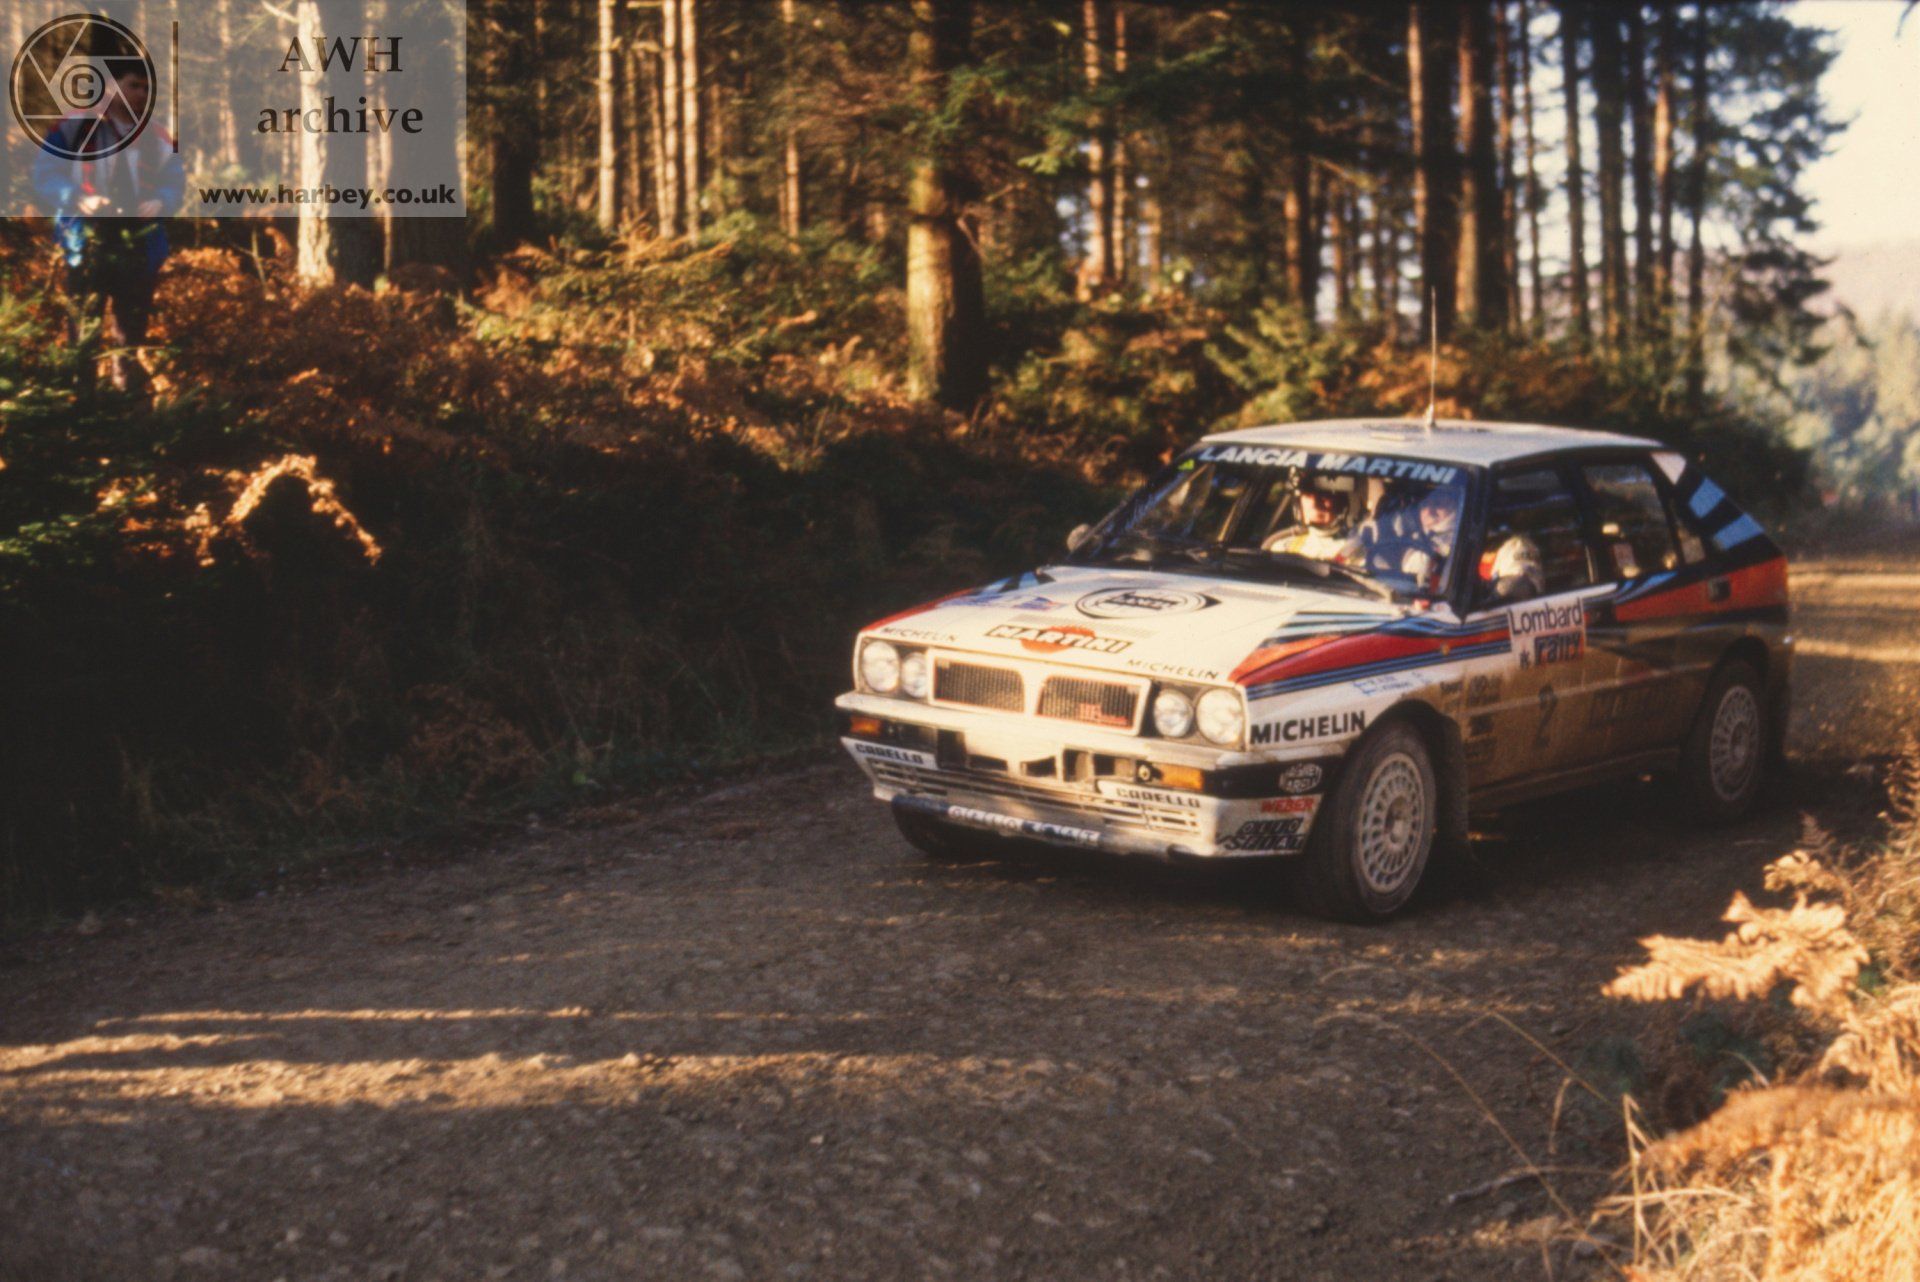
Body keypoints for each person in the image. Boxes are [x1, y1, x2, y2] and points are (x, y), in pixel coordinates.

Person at [30, 63, 184, 393]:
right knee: (84, 324)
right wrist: (75, 199)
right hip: (86, 241)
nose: (142, 94)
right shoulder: (73, 126)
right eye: (134, 85)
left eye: (147, 88)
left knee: (131, 329)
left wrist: (161, 202)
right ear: (112, 86)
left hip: (139, 244)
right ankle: (82, 402)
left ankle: (125, 399)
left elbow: (175, 182)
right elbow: (44, 174)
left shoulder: (157, 135)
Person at [1265, 477, 1358, 562]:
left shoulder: (1357, 550)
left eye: (1324, 494)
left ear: (1341, 503)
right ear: (1298, 503)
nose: (1315, 503)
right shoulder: (1282, 547)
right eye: (1308, 494)